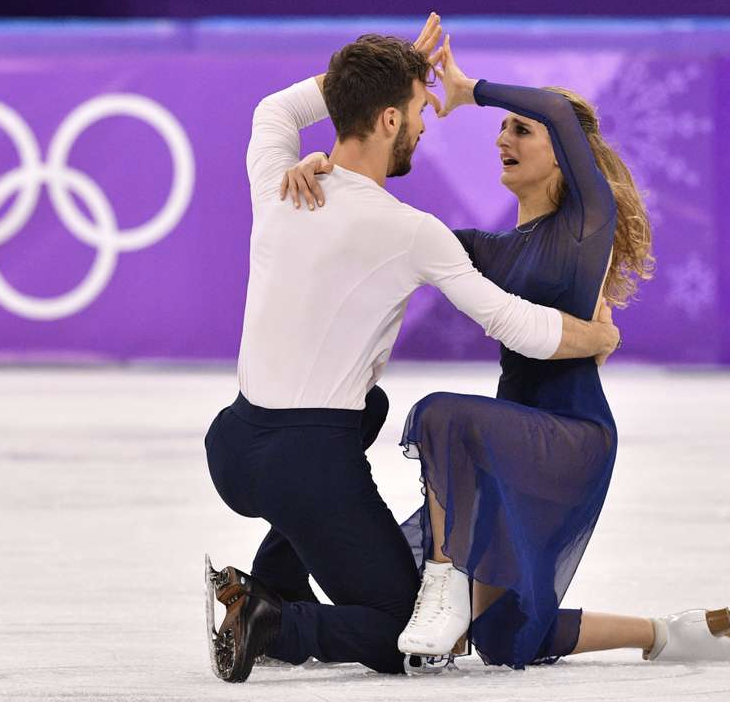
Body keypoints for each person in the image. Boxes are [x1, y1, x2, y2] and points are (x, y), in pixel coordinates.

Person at [281, 30, 730, 669]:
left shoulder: (585, 224)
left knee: (438, 413)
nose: (503, 139)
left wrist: (471, 92)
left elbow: (556, 109)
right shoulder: (486, 250)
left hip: (568, 436)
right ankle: (667, 633)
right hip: (505, 442)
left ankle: (445, 584)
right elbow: (384, 228)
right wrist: (323, 170)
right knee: (501, 634)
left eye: (521, 130)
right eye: (503, 129)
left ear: (565, 156)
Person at [203, 15, 620, 684]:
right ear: (391, 120)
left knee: (371, 407)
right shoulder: (409, 231)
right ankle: (272, 616)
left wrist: (366, 79)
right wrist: (598, 336)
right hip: (302, 463)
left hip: (231, 445)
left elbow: (275, 109)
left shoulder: (278, 181)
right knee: (406, 635)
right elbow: (515, 324)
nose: (427, 123)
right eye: (420, 109)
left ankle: (277, 575)